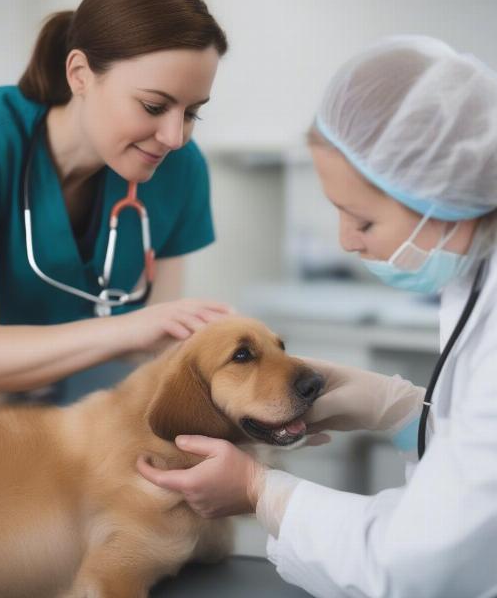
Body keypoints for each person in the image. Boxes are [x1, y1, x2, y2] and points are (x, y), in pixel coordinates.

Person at [138, 35, 497, 597]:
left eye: (363, 220)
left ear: (444, 201)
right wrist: (407, 412)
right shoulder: (476, 269)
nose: (346, 242)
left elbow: (416, 566)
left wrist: (262, 492)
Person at [0, 0, 231, 402]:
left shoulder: (180, 169)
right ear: (79, 74)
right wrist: (129, 330)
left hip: (72, 397)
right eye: (154, 106)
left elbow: (157, 345)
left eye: (192, 112)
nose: (175, 137)